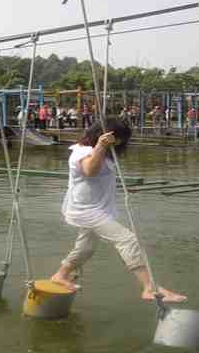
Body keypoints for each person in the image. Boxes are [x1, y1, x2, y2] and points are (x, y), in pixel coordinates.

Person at [50, 119, 187, 303]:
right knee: (127, 240)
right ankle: (149, 287)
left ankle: (61, 275)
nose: (120, 143)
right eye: (118, 138)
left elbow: (99, 179)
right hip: (86, 210)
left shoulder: (103, 153)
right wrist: (100, 145)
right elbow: (90, 171)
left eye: (122, 140)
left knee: (86, 247)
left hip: (97, 208)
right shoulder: (82, 151)